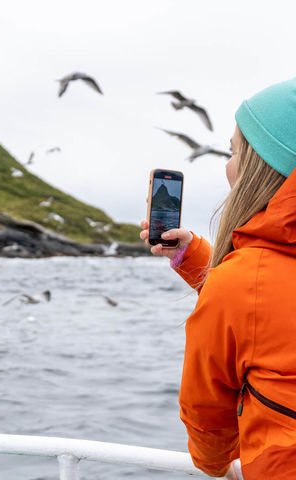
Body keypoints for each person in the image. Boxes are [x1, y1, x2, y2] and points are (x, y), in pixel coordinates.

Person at [140, 77, 296, 479]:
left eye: (233, 152)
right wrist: (191, 256)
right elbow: (270, 311)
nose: (227, 165)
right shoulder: (247, 283)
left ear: (260, 167)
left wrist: (214, 466)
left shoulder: (241, 285)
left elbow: (207, 414)